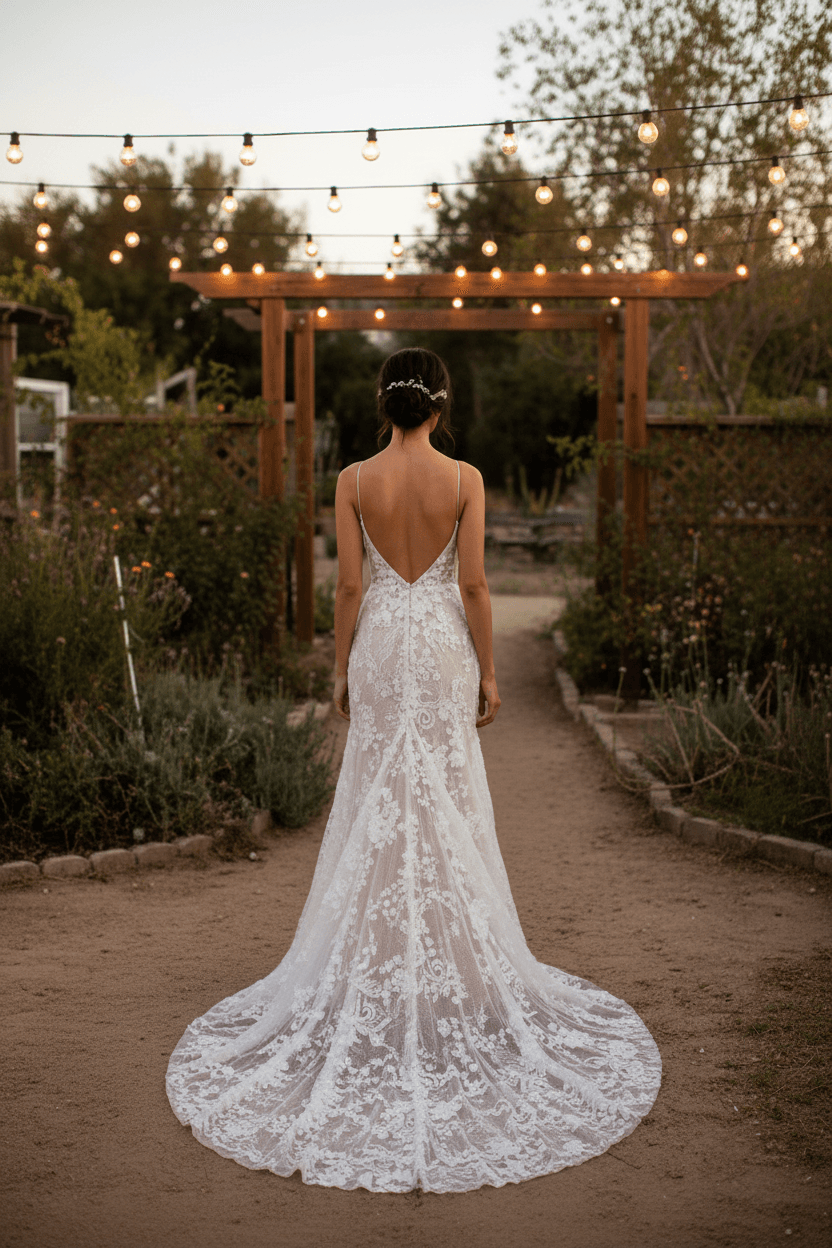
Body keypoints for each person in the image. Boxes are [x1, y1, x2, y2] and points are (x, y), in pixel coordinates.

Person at [166, 347, 661, 1193]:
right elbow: (472, 584)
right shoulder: (464, 478)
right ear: (440, 404)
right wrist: (492, 669)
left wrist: (338, 668)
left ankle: (375, 962)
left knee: (376, 798)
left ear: (384, 404)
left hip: (382, 649)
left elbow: (348, 589)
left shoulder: (353, 479)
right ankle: (459, 972)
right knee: (445, 795)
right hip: (437, 650)